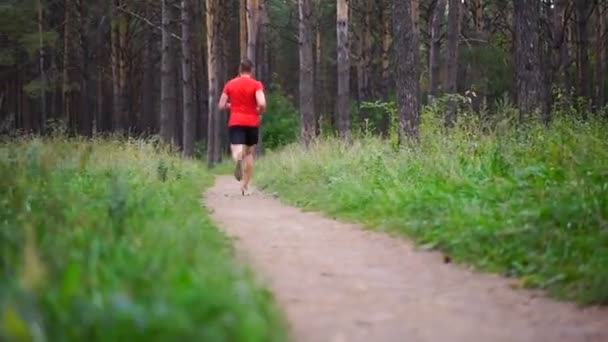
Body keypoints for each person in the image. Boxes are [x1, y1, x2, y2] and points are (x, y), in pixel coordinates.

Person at [218, 59, 266, 196]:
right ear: (251, 70)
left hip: (236, 121)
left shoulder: (230, 84)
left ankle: (238, 158)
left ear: (240, 70)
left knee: (237, 148)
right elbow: (262, 102)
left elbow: (221, 105)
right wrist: (259, 111)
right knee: (250, 153)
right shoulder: (256, 84)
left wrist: (231, 106)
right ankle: (245, 185)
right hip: (252, 122)